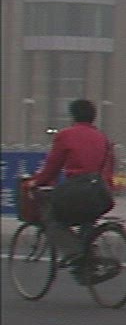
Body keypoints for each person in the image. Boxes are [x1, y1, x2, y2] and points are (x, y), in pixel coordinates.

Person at [30, 98, 116, 275]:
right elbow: (109, 169)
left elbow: (52, 167)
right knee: (87, 217)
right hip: (101, 193)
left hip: (78, 189)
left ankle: (74, 253)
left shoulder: (66, 135)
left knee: (52, 218)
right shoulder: (103, 138)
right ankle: (88, 261)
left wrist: (36, 182)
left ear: (73, 116)